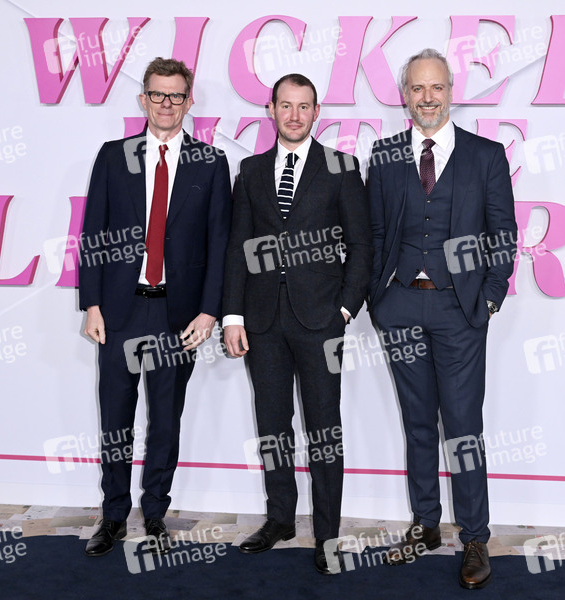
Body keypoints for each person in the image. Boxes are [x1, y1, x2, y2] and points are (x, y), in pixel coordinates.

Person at [367, 49, 517, 589]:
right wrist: (378, 300)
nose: (426, 98)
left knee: (463, 427)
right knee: (416, 423)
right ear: (405, 96)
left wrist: (490, 299)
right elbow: (375, 232)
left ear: (451, 91)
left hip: (460, 310)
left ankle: (474, 536)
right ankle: (425, 524)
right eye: (417, 88)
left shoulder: (486, 155)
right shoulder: (384, 154)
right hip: (401, 306)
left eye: (436, 87)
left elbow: (503, 235)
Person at [78, 57, 231, 557]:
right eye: (158, 94)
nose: (167, 104)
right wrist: (92, 302)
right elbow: (94, 233)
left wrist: (209, 311)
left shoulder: (211, 163)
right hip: (119, 312)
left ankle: (156, 513)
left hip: (177, 316)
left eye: (176, 95)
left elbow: (220, 243)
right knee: (115, 421)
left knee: (165, 421)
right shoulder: (112, 156)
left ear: (189, 101)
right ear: (143, 99)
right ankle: (113, 516)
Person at [222, 73, 371, 574]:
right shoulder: (250, 170)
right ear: (271, 109)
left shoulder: (342, 167)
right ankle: (280, 518)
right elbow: (238, 247)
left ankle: (327, 535)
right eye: (285, 105)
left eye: (303, 106)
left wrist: (346, 308)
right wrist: (233, 315)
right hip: (262, 320)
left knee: (324, 428)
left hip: (320, 320)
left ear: (316, 112)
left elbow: (361, 245)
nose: (294, 115)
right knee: (272, 427)